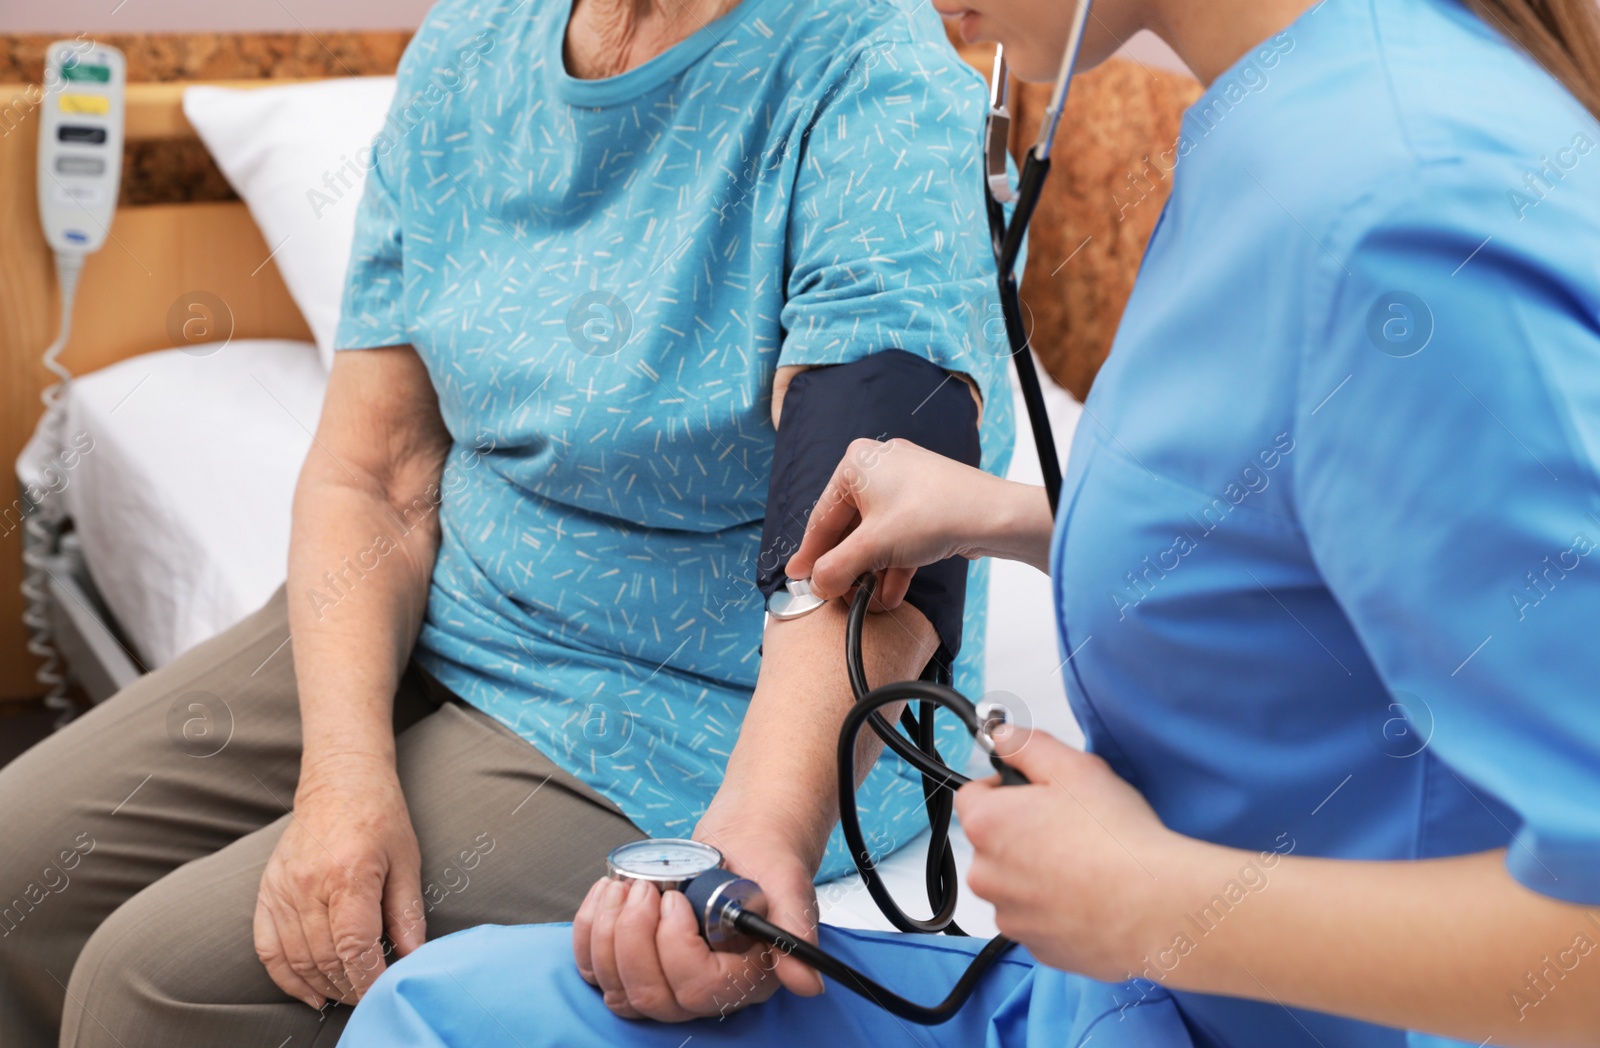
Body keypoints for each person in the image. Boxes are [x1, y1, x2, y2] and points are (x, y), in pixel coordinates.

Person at [334, 0, 1600, 1044]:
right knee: (433, 1009)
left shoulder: (1402, 210)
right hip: (1132, 993)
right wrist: (1011, 513)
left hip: (1211, 989)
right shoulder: (1286, 120)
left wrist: (1154, 900)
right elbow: (1339, 520)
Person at [0, 0, 1014, 1043]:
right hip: (449, 605)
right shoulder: (471, 45)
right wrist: (345, 779)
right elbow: (378, 474)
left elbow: (864, 549)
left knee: (153, 983)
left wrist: (759, 839)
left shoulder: (870, 74)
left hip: (688, 711)